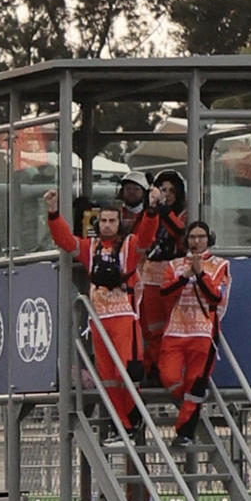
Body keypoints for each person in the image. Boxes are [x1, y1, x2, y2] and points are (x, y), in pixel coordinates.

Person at [45, 185, 159, 442]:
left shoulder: (130, 245)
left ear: (120, 222)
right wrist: (53, 213)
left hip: (124, 319)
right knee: (107, 378)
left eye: (112, 221)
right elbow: (65, 240)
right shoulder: (91, 247)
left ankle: (134, 418)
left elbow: (148, 237)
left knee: (126, 373)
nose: (107, 225)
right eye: (104, 221)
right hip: (98, 321)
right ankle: (123, 426)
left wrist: (151, 210)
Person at [157, 219, 232, 446]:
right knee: (170, 377)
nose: (196, 241)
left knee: (195, 381)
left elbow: (217, 296)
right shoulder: (174, 265)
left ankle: (184, 432)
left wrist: (200, 274)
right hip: (175, 331)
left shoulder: (220, 264)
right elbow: (165, 291)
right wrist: (185, 275)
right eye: (192, 237)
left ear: (208, 239)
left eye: (201, 237)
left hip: (204, 331)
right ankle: (193, 401)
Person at [135, 169, 188, 373]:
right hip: (149, 275)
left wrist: (164, 209)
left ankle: (169, 370)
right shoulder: (148, 214)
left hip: (173, 274)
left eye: (171, 191)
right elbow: (140, 239)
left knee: (171, 326)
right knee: (151, 328)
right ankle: (153, 368)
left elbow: (181, 235)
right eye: (162, 189)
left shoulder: (182, 215)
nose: (166, 194)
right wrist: (153, 209)